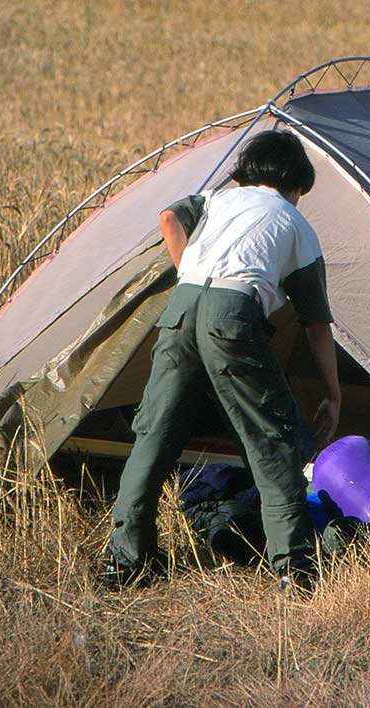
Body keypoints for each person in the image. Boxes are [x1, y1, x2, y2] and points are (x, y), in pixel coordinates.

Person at [104, 129, 342, 588]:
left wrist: (189, 273)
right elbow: (316, 327)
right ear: (296, 183)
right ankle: (294, 568)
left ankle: (124, 561)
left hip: (181, 306)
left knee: (155, 435)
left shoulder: (216, 199)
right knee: (272, 440)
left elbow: (169, 217)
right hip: (233, 313)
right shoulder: (295, 224)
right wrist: (333, 395)